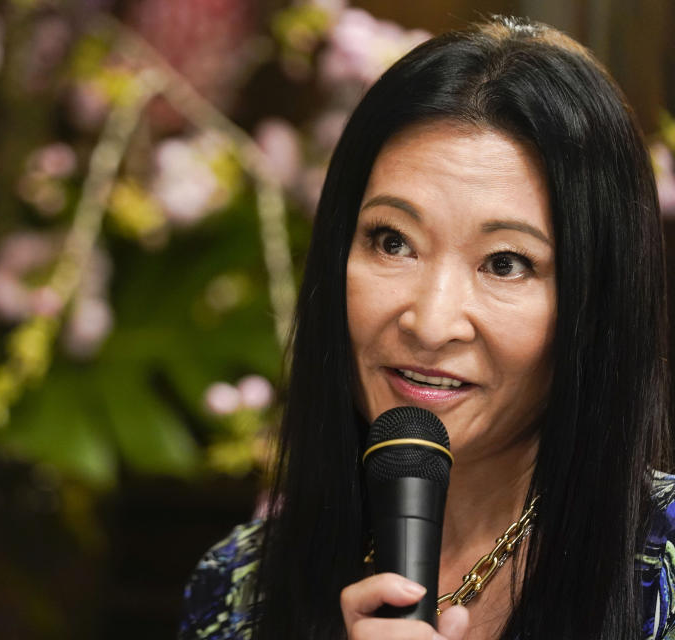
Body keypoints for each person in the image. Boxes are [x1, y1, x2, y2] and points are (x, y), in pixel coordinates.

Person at [178, 16, 675, 640]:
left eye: (505, 263)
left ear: (595, 304)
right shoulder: (240, 584)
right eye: (393, 242)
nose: (431, 323)